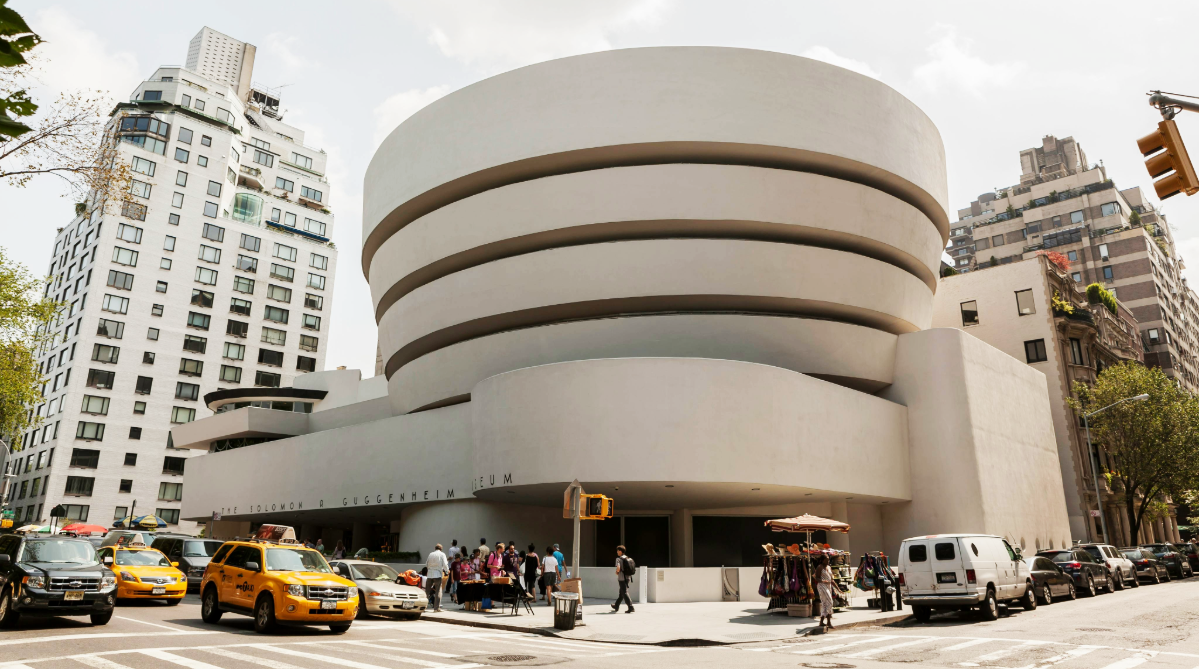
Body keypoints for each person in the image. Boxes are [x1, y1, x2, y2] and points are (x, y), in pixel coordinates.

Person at [426, 543, 449, 612]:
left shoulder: (430, 554)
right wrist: (447, 571)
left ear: (435, 548)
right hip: (437, 574)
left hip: (429, 574)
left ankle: (423, 607)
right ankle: (436, 608)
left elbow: (426, 564)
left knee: (427, 591)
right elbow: (445, 564)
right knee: (438, 591)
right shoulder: (442, 554)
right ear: (441, 549)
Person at [613, 545, 635, 613]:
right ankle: (616, 605)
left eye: (617, 551)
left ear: (620, 551)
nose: (617, 552)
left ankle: (630, 607)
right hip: (628, 577)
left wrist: (617, 572)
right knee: (621, 593)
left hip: (622, 578)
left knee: (624, 592)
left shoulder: (618, 559)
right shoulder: (627, 557)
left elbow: (618, 568)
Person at [816, 555, 835, 629]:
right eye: (826, 559)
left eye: (828, 559)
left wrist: (838, 588)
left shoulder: (829, 567)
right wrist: (822, 581)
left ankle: (822, 621)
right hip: (822, 585)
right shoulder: (819, 567)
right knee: (830, 602)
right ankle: (829, 622)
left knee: (824, 604)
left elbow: (831, 579)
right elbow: (816, 577)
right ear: (822, 560)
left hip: (828, 586)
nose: (828, 561)